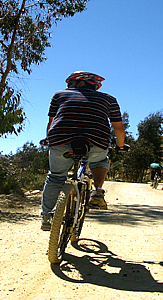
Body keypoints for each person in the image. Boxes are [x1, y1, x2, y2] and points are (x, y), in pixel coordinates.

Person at [40, 71, 128, 231]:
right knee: (101, 160)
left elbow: (51, 123)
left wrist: (48, 140)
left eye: (70, 84)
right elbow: (119, 128)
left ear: (80, 83)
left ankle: (46, 216)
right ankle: (97, 191)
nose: (68, 88)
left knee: (55, 177)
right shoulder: (109, 99)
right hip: (95, 141)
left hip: (61, 140)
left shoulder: (59, 95)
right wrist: (121, 146)